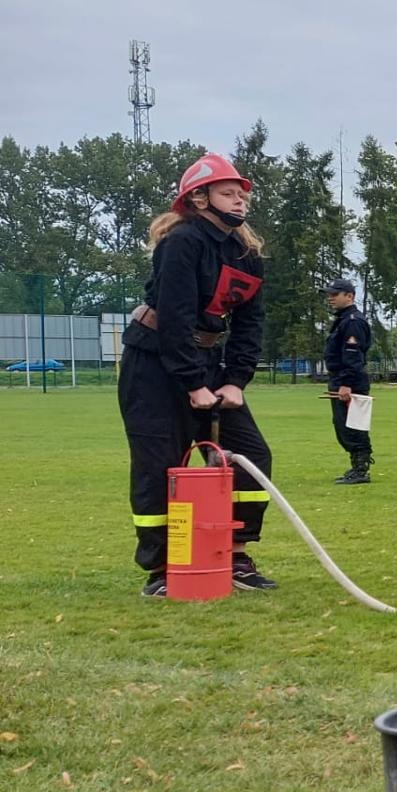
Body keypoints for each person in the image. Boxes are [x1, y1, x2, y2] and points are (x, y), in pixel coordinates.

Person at [119, 152, 276, 596]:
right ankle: (161, 569)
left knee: (250, 457)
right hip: (153, 366)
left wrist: (234, 380)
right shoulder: (182, 242)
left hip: (207, 363)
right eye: (228, 192)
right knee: (159, 466)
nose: (240, 201)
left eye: (242, 194)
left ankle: (234, 554)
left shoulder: (247, 255)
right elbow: (173, 318)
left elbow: (250, 323)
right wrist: (193, 383)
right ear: (201, 198)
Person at [323, 278, 375, 484]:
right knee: (342, 424)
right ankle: (356, 466)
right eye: (330, 294)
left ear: (349, 296)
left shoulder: (353, 322)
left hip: (349, 381)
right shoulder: (344, 319)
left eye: (335, 294)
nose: (330, 298)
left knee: (353, 425)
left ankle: (361, 469)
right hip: (340, 379)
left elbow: (353, 356)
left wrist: (346, 383)